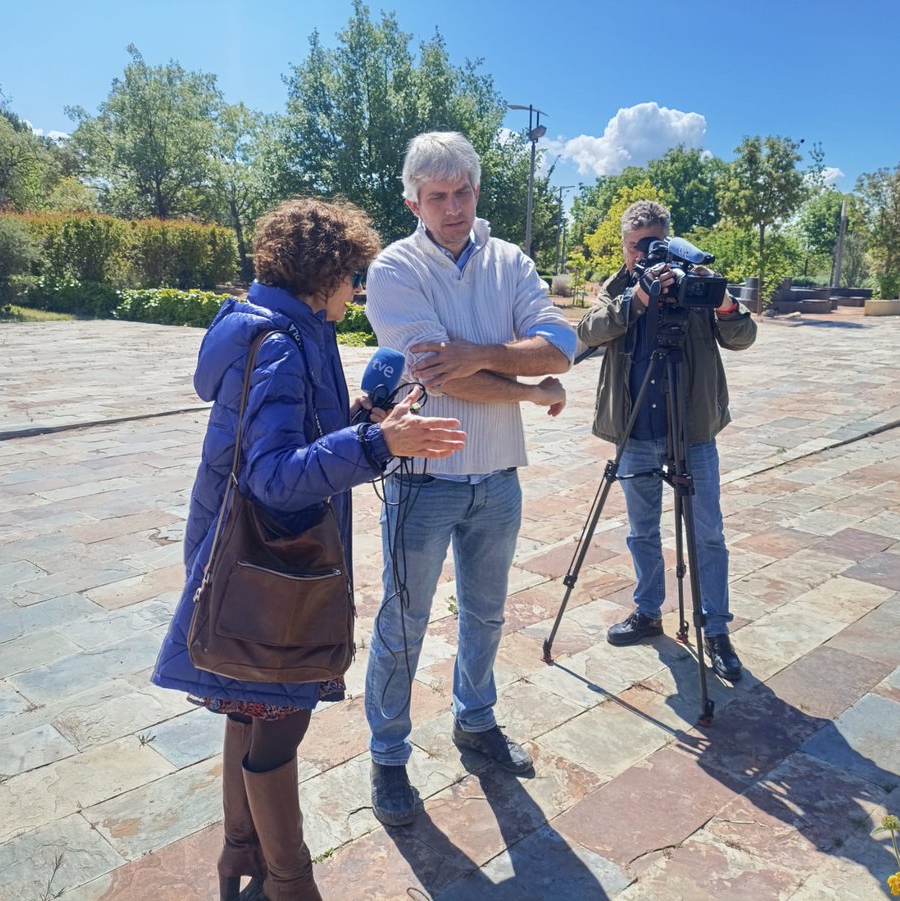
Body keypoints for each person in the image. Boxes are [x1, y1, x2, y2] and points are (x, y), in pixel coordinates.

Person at [151, 197, 465, 901]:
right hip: (268, 566)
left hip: (248, 558)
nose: (357, 289)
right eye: (352, 274)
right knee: (277, 724)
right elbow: (274, 476)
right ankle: (289, 884)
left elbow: (294, 436)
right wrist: (380, 444)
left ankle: (240, 853)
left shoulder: (290, 328)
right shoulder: (284, 344)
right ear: (321, 274)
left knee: (246, 704)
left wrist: (362, 420)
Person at [361, 131, 576, 827]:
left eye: (462, 193)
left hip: (496, 479)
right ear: (412, 200)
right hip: (422, 478)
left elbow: (562, 346)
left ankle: (475, 720)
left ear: (477, 191)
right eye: (436, 197)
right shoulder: (395, 268)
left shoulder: (509, 260)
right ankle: (388, 754)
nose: (452, 208)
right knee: (403, 622)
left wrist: (486, 358)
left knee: (485, 612)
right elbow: (433, 372)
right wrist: (529, 390)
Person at [576, 200, 756, 682]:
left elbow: (743, 337)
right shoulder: (616, 291)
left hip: (692, 432)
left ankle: (716, 630)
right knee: (641, 531)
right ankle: (648, 611)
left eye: (656, 245)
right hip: (635, 431)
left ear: (670, 241)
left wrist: (722, 301)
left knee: (708, 534)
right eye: (637, 247)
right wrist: (635, 300)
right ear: (623, 247)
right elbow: (586, 335)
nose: (646, 256)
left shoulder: (695, 287)